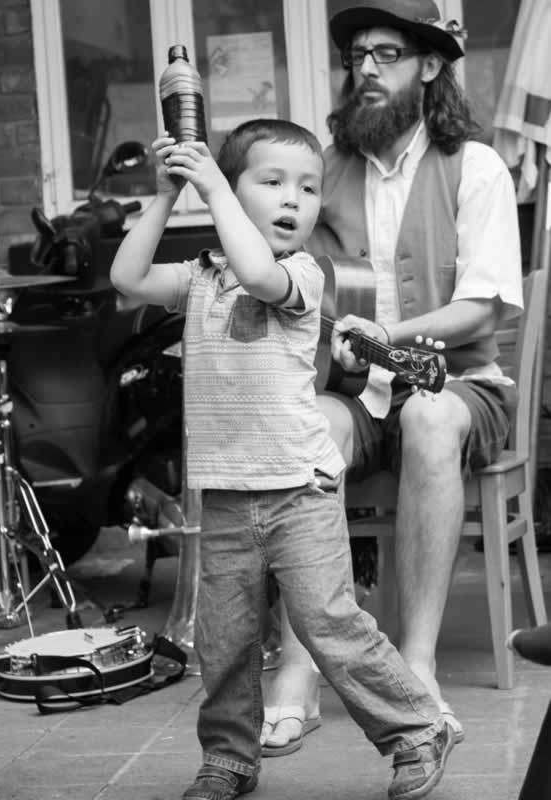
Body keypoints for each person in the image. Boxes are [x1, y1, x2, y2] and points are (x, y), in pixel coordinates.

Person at [110, 117, 457, 800]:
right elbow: (127, 276)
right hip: (226, 492)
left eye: (307, 187)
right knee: (225, 639)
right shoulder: (198, 279)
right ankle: (229, 757)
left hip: (300, 489)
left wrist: (213, 189)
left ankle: (418, 729)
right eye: (272, 182)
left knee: (329, 622)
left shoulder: (300, 272)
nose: (293, 199)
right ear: (234, 191)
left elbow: (258, 275)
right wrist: (167, 192)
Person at [261, 0, 523, 757]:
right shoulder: (324, 170)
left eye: (386, 54)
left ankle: (415, 666)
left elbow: (480, 308)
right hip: (356, 394)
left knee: (428, 416)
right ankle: (301, 668)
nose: (366, 70)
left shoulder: (474, 166)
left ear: (430, 65)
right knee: (306, 426)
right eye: (356, 58)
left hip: (460, 385)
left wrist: (388, 338)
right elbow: (293, 280)